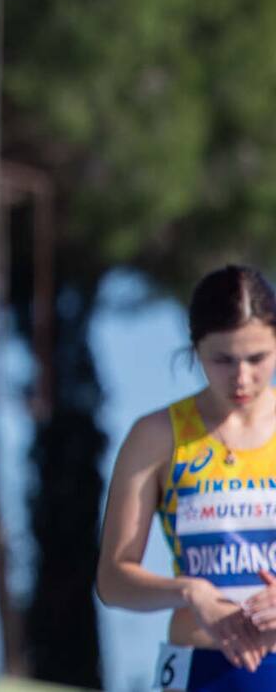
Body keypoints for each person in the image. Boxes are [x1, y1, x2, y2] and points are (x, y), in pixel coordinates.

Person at [98, 265, 276, 690]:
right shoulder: (157, 435)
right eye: (222, 360)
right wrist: (190, 592)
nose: (242, 378)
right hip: (199, 669)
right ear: (195, 350)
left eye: (257, 358)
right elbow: (113, 581)